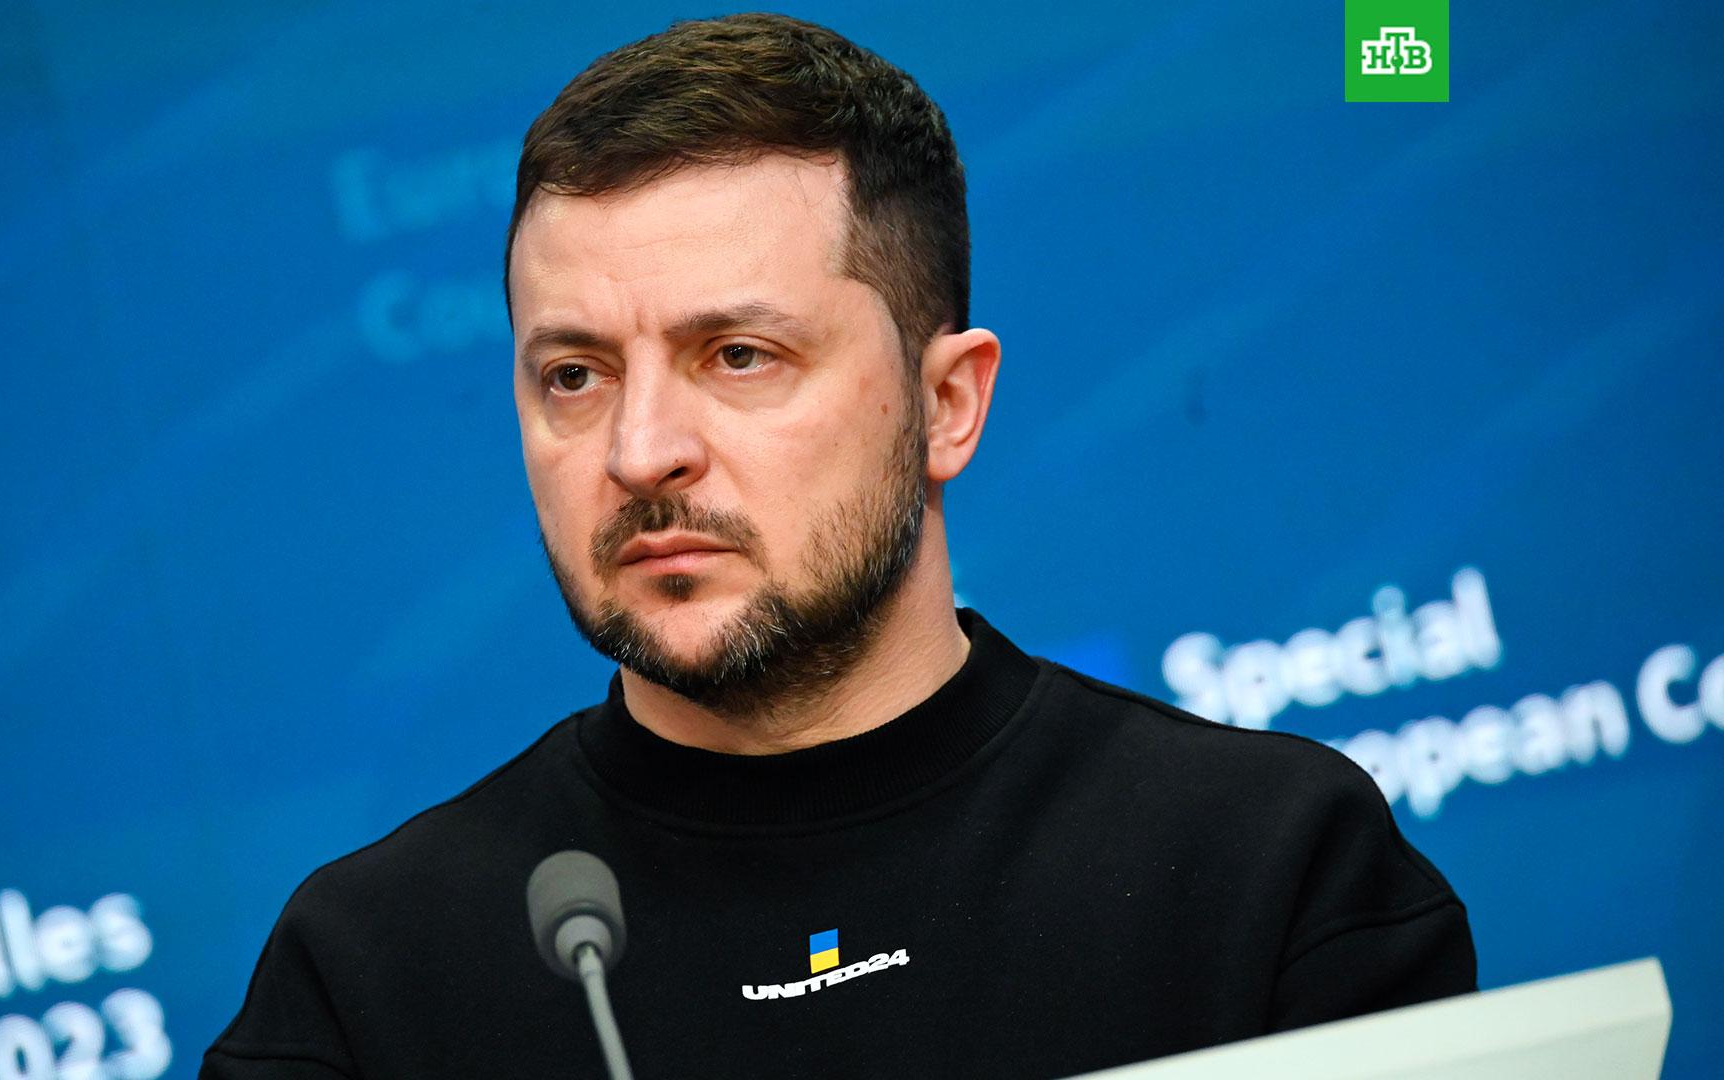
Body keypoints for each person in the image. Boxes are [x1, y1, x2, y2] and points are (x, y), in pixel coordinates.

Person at [202, 13, 1474, 1078]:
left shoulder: (1268, 869)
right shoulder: (366, 982)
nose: (641, 451)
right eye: (575, 375)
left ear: (947, 404)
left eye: (738, 355)